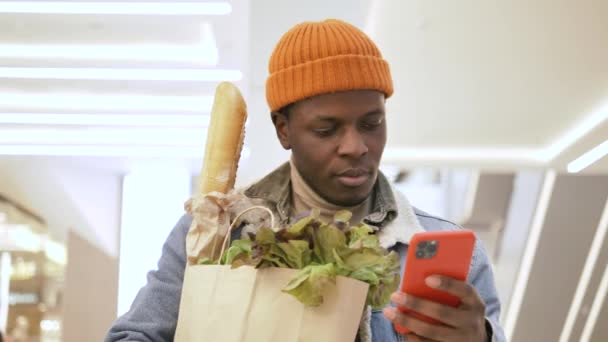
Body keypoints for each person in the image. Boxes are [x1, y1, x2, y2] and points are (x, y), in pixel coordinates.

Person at [106, 19, 505, 342]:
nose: (356, 146)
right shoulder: (216, 232)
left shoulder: (455, 256)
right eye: (327, 129)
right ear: (284, 130)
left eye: (372, 124)